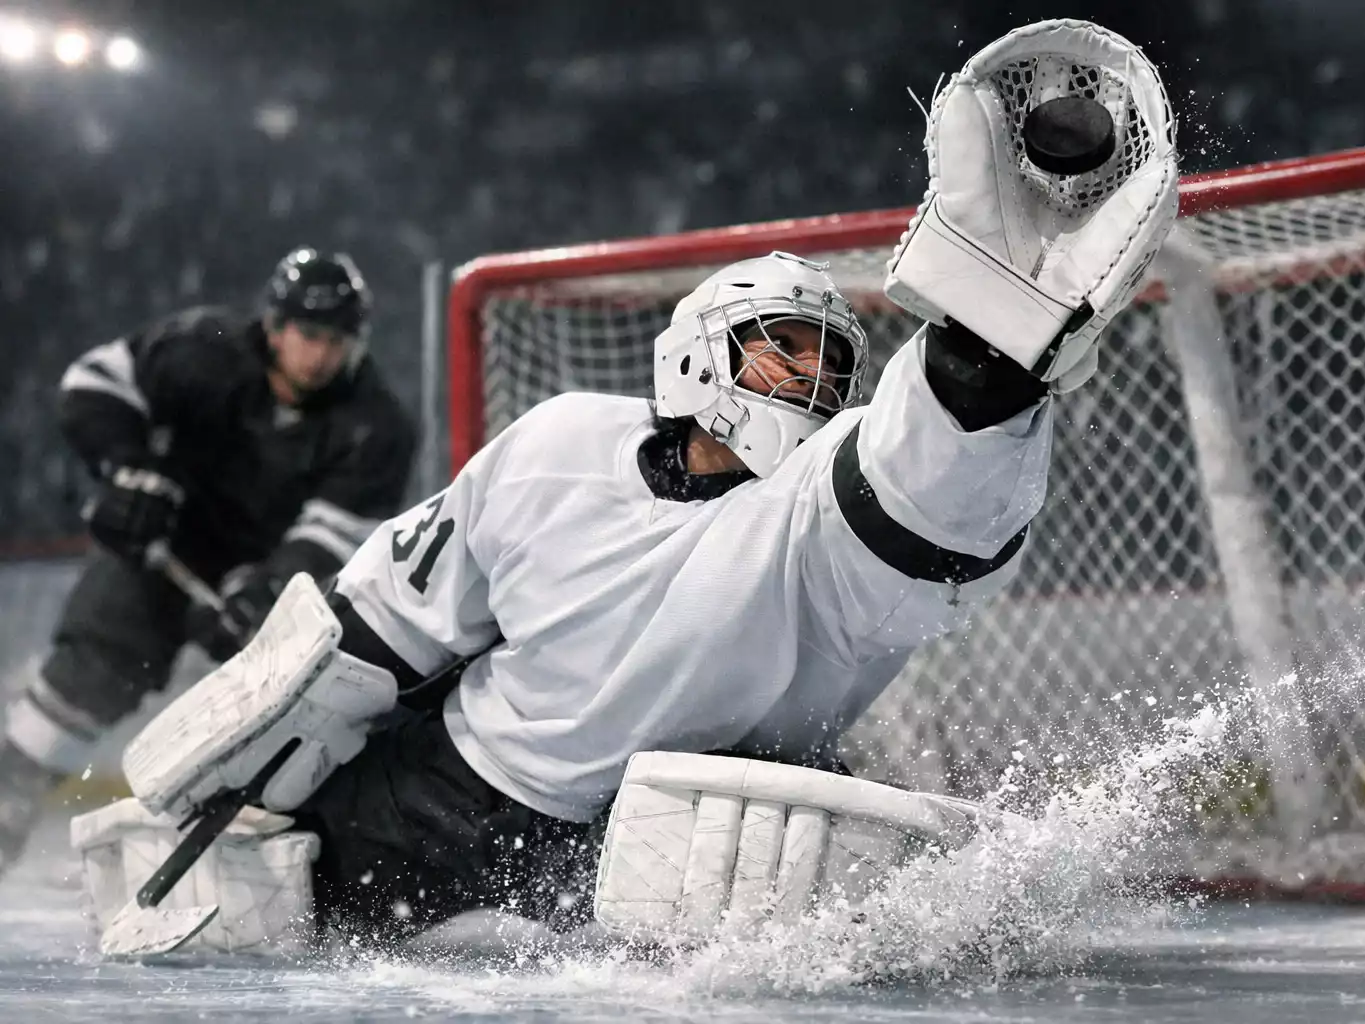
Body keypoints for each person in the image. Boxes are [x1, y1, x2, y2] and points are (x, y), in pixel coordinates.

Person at [111, 20, 1178, 949]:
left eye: (828, 366)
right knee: (281, 920)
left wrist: (983, 358)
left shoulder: (816, 511)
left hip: (653, 839)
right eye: (782, 352)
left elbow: (920, 490)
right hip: (442, 787)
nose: (809, 382)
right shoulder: (559, 441)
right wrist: (265, 759)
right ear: (697, 357)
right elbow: (394, 617)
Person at [0, 249, 417, 874]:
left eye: (338, 339)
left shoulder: (378, 424)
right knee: (81, 682)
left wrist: (268, 589)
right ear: (275, 326)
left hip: (273, 586)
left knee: (299, 721)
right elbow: (93, 384)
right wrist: (128, 471)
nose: (321, 354)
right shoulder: (204, 349)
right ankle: (8, 803)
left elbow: (332, 536)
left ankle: (307, 867)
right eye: (308, 334)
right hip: (163, 548)